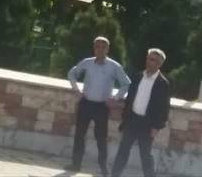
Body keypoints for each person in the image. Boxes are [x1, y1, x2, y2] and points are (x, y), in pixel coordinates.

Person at [66, 36, 131, 176]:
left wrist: (115, 98)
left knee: (101, 138)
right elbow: (72, 73)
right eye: (97, 46)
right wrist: (76, 89)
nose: (100, 49)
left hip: (101, 107)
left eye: (103, 47)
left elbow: (126, 83)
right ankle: (75, 164)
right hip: (86, 103)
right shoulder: (87, 62)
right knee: (79, 135)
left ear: (107, 49)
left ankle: (103, 168)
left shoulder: (114, 66)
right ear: (94, 48)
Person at [111, 48, 171, 177]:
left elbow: (164, 108)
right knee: (123, 150)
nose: (148, 62)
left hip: (147, 124)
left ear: (159, 64)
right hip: (132, 120)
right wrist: (125, 117)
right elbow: (130, 98)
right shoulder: (137, 76)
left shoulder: (162, 83)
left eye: (152, 60)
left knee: (145, 155)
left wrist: (157, 126)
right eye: (148, 58)